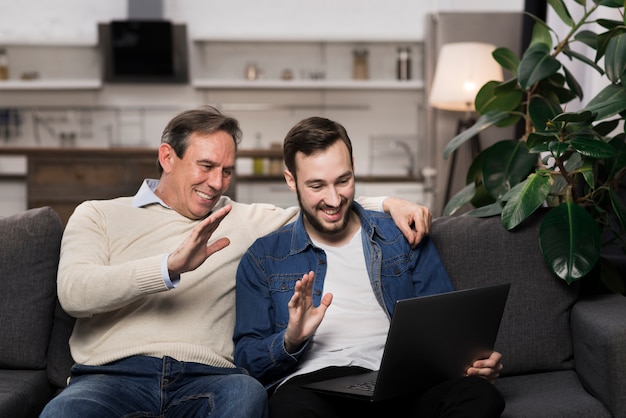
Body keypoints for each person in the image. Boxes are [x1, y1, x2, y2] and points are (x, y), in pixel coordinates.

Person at [40, 106, 434, 418]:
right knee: (62, 413)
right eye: (206, 166)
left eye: (227, 171)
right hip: (112, 375)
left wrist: (389, 203)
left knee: (248, 397)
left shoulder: (243, 219)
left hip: (212, 377)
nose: (216, 183)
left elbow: (323, 203)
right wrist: (169, 267)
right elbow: (75, 293)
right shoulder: (98, 214)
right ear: (167, 157)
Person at [233, 116, 505, 418]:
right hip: (312, 388)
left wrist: (473, 364)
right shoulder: (263, 258)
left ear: (354, 168)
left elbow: (450, 330)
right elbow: (247, 361)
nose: (334, 199)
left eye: (343, 180)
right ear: (290, 180)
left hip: (399, 382)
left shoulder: (403, 236)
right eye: (316, 185)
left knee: (480, 396)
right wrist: (291, 338)